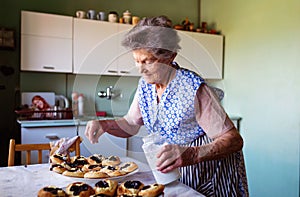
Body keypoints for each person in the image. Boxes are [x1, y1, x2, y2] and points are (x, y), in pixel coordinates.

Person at [85, 16, 249, 197]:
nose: (140, 69)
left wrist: (192, 155)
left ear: (170, 56)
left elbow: (233, 139)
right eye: (136, 61)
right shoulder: (145, 85)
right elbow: (130, 123)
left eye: (148, 61)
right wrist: (105, 124)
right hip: (176, 172)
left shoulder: (192, 88)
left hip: (210, 173)